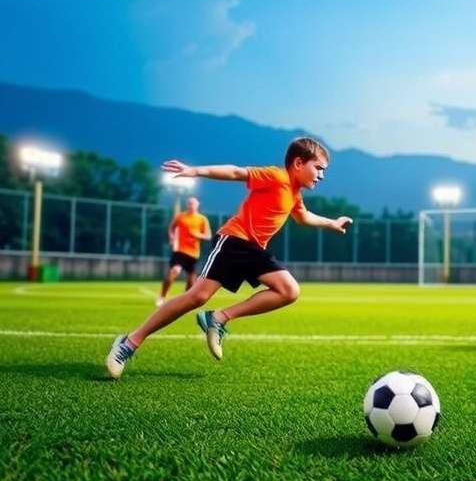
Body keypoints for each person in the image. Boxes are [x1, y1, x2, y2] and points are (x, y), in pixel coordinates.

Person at [106, 137, 353, 379]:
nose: (321, 176)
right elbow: (236, 173)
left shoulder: (295, 194)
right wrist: (195, 171)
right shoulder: (276, 176)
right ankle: (129, 343)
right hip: (234, 241)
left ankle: (219, 317)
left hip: (254, 249)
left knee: (289, 291)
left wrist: (332, 223)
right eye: (318, 168)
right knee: (197, 296)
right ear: (299, 163)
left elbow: (303, 217)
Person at [155, 196, 212, 307]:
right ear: (187, 205)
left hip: (194, 253)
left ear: (198, 204)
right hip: (180, 251)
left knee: (191, 281)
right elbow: (171, 228)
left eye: (193, 203)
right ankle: (162, 296)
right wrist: (172, 237)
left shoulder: (202, 219)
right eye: (189, 203)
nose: (191, 205)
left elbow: (208, 236)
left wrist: (198, 235)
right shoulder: (180, 217)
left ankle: (183, 301)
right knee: (174, 271)